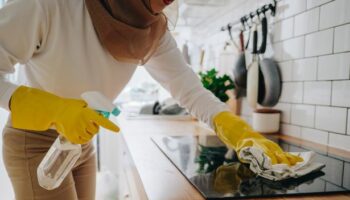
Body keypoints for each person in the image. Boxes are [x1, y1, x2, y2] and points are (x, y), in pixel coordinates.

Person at [0, 0, 302, 199]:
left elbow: (191, 91)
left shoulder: (152, 28)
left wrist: (239, 131)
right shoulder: (49, 5)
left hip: (80, 144)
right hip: (35, 144)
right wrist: (48, 107)